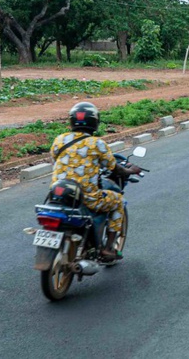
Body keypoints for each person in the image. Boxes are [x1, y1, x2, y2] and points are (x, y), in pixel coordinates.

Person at [50, 102, 141, 260]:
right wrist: (130, 170)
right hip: (87, 197)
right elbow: (114, 168)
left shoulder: (60, 139)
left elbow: (54, 158)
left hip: (59, 194)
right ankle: (108, 248)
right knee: (118, 201)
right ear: (95, 122)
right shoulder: (97, 143)